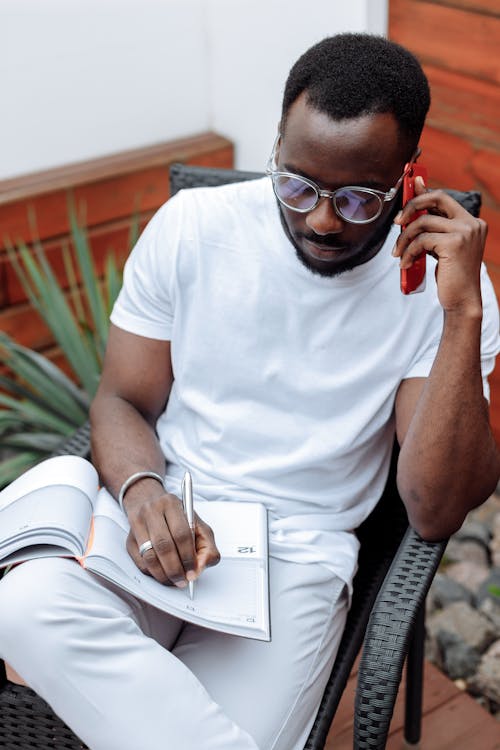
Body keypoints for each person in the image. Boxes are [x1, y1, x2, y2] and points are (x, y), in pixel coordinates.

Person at [1, 32, 499, 750]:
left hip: (294, 555)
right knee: (22, 603)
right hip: (165, 506)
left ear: (408, 177)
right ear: (275, 149)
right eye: (297, 186)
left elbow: (435, 505)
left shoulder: (441, 290)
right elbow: (121, 402)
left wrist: (461, 315)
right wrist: (144, 493)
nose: (322, 220)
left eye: (359, 199)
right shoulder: (194, 228)